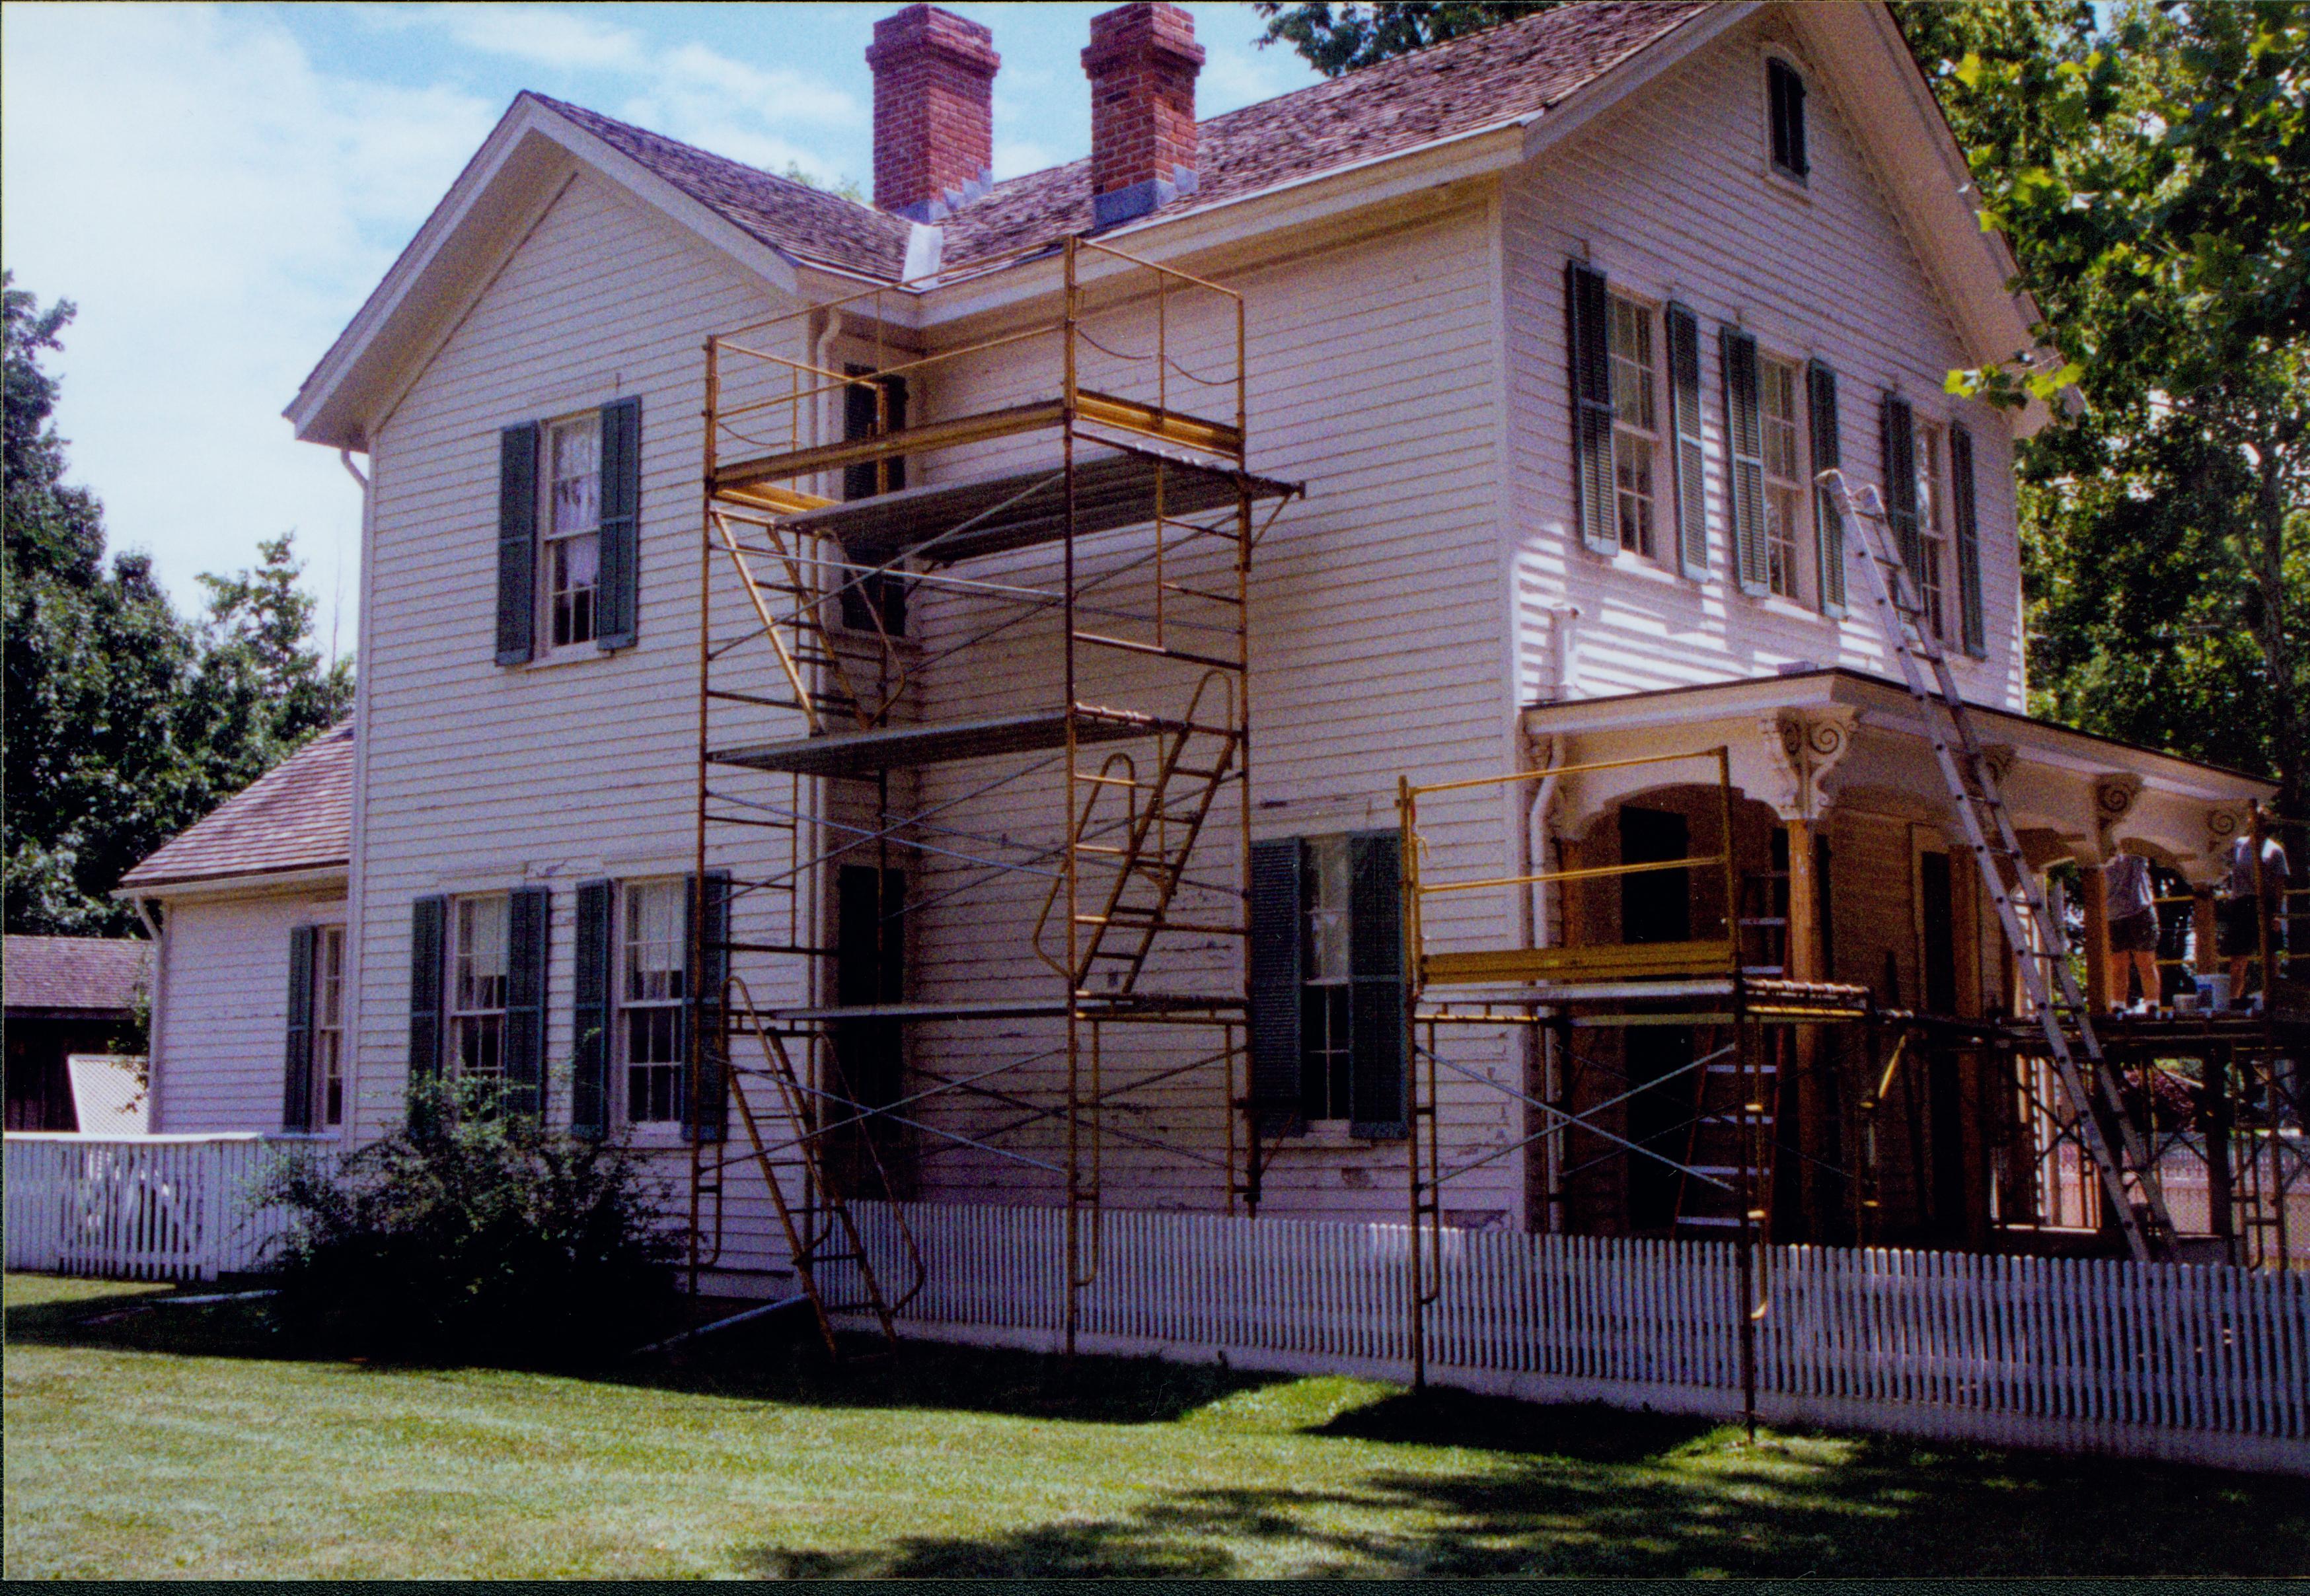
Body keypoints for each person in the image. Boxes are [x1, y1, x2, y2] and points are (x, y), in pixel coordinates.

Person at [2217, 829, 2290, 1004]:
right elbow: (2219, 859)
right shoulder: (2238, 844)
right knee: (2238, 958)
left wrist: (2278, 915)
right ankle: (2234, 999)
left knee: (2270, 955)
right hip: (2242, 904)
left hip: (2266, 904)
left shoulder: (2274, 850)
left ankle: (2273, 999)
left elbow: (2280, 885)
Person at [2102, 850, 2159, 1010]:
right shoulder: (2102, 851)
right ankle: (2118, 1007)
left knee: (2145, 961)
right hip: (2113, 915)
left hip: (2139, 910)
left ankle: (2152, 1006)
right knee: (2118, 965)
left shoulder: (2134, 850)